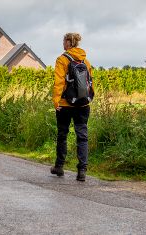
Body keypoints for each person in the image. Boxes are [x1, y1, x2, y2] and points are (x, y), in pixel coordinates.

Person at [50, 32, 92, 182]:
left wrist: (56, 101)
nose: (63, 43)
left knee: (62, 134)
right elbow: (90, 82)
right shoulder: (85, 61)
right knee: (82, 136)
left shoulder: (62, 59)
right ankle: (82, 170)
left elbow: (59, 82)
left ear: (68, 43)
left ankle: (59, 166)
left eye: (64, 41)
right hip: (83, 104)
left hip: (65, 104)